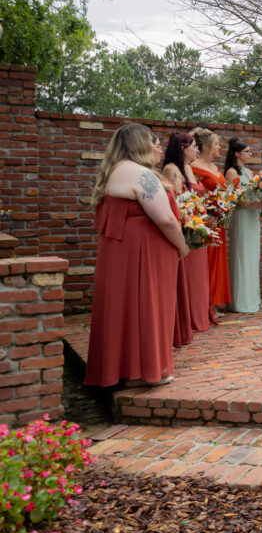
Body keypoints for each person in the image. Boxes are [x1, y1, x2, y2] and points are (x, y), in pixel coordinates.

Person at [85, 122, 189, 388]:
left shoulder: (112, 171)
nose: (158, 149)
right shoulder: (141, 174)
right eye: (153, 143)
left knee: (124, 307)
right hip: (145, 252)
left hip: (122, 252)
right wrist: (182, 245)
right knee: (148, 305)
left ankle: (123, 370)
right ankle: (147, 371)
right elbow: (165, 219)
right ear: (141, 144)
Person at [163, 132, 214, 334]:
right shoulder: (171, 169)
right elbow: (174, 202)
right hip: (186, 227)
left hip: (198, 224)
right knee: (190, 277)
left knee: (199, 276)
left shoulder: (188, 168)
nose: (197, 150)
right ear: (183, 149)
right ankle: (189, 318)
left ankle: (200, 314)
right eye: (193, 147)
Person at [189, 127, 231, 318]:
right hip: (206, 220)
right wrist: (210, 210)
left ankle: (214, 303)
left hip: (218, 220)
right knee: (206, 262)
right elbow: (194, 194)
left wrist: (226, 205)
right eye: (216, 144)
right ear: (206, 146)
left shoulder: (214, 168)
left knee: (216, 262)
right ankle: (203, 306)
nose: (219, 147)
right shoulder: (194, 167)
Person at [224, 137, 262, 313]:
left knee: (252, 257)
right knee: (242, 256)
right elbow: (235, 201)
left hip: (252, 217)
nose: (250, 154)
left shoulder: (249, 172)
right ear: (237, 154)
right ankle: (240, 302)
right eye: (247, 151)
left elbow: (255, 193)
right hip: (241, 216)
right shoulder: (231, 173)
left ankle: (252, 299)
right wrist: (257, 205)